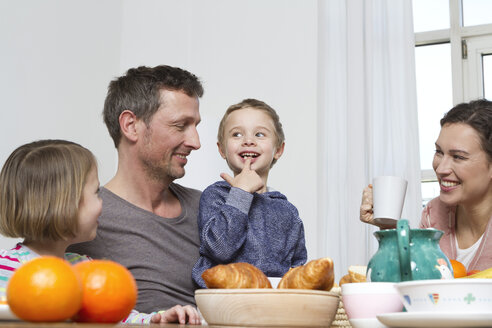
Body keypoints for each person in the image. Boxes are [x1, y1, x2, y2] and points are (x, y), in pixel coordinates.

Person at [0, 140, 200, 324]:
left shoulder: (85, 267)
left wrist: (157, 319)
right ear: (66, 204)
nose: (102, 203)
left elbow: (118, 315)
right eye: (96, 193)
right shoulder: (7, 269)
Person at [67, 65, 204, 313]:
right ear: (131, 125)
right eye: (180, 125)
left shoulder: (210, 209)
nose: (195, 142)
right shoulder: (81, 219)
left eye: (195, 125)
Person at [360, 99, 492, 271]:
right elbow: (416, 273)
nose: (441, 168)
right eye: (439, 152)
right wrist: (387, 224)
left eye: (458, 157)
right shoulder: (435, 213)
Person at [191, 98, 307, 288]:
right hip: (222, 301)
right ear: (222, 149)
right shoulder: (216, 195)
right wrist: (241, 193)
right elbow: (220, 249)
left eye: (260, 134)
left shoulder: (287, 211)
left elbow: (296, 267)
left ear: (278, 149)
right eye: (236, 134)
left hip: (271, 304)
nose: (248, 141)